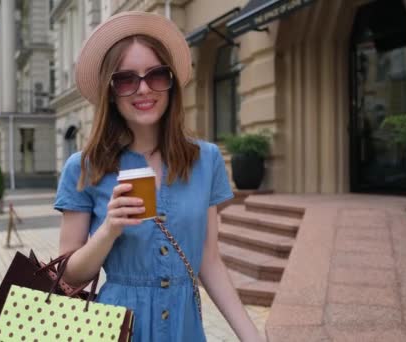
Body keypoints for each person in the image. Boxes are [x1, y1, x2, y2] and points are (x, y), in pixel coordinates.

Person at [54, 11, 263, 342]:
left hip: (184, 328)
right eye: (126, 79)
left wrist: (253, 336)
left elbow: (209, 262)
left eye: (156, 75)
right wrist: (109, 229)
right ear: (110, 90)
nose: (143, 90)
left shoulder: (206, 160)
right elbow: (68, 275)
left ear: (171, 83)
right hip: (115, 328)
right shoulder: (84, 167)